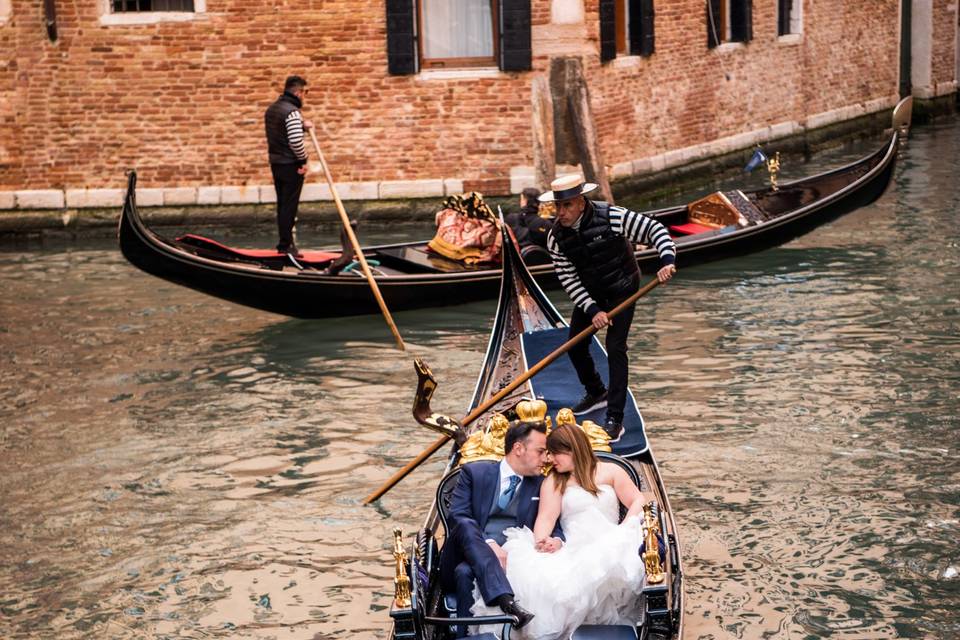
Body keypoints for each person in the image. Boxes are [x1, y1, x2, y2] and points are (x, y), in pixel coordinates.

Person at [471, 423, 650, 640]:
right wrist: (543, 540)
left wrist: (624, 529)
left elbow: (638, 500)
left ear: (572, 449)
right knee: (543, 581)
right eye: (547, 453)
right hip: (574, 548)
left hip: (612, 539)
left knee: (618, 556)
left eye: (555, 453)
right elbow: (546, 517)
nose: (549, 459)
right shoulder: (555, 480)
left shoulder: (611, 472)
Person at [541, 174, 677, 440]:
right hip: (591, 291)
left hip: (622, 287)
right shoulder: (555, 238)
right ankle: (596, 392)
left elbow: (656, 230)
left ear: (581, 202)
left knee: (615, 348)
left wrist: (666, 259)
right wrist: (593, 311)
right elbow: (568, 279)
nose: (561, 212)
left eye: (567, 205)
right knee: (575, 344)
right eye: (558, 206)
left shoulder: (613, 217)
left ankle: (615, 417)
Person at [439, 420, 563, 637]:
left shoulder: (542, 483)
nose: (546, 458)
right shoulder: (473, 473)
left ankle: (465, 636)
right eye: (541, 451)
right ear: (518, 448)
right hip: (464, 552)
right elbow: (457, 517)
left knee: (465, 573)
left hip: (514, 559)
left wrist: (557, 541)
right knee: (466, 524)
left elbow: (556, 524)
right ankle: (507, 601)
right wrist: (489, 544)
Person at [264, 75, 313, 256]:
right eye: (305, 92)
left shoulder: (272, 109)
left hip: (276, 163)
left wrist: (302, 125)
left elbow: (282, 133)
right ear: (298, 92)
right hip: (291, 165)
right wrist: (303, 160)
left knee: (282, 204)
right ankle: (286, 246)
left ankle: (284, 245)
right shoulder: (292, 112)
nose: (305, 96)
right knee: (289, 206)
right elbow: (294, 141)